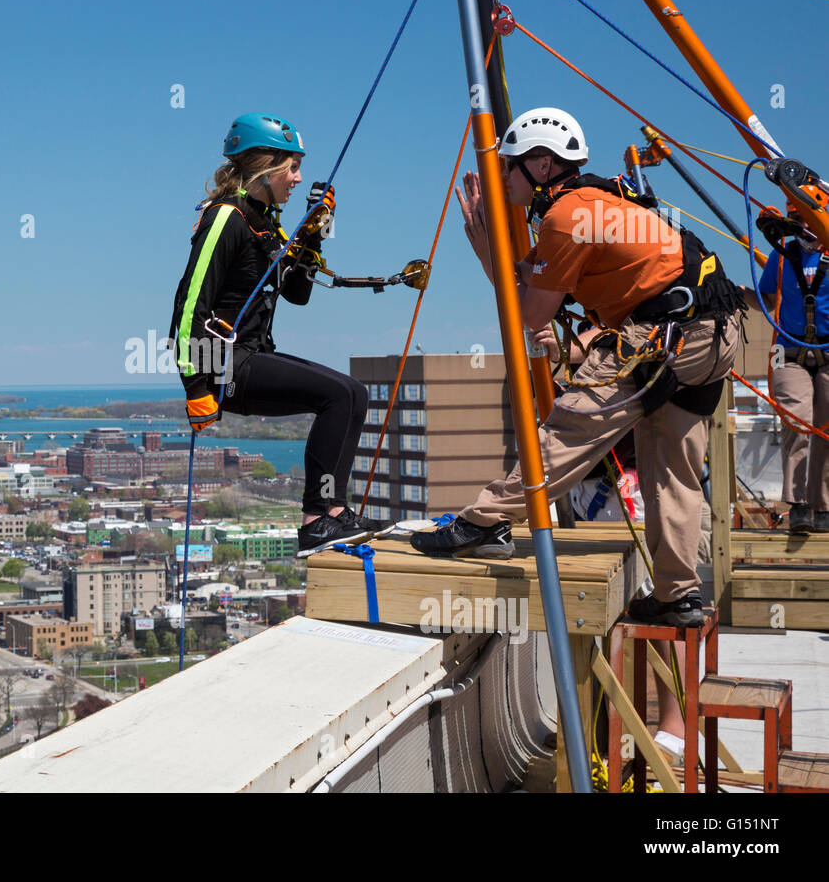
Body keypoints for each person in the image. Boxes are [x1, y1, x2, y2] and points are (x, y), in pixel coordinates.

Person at [410, 107, 746, 628]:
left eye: (511, 166)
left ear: (543, 164)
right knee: (670, 461)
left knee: (571, 427)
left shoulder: (566, 214)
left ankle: (484, 522)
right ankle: (677, 595)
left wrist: (488, 257)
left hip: (666, 333)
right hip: (711, 332)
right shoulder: (602, 201)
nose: (503, 177)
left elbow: (530, 313)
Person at [168, 113, 395, 557]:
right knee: (342, 396)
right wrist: (195, 386)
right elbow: (189, 306)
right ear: (264, 168)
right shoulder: (226, 218)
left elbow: (297, 293)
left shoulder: (264, 223)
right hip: (226, 364)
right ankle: (318, 518)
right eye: (291, 167)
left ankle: (330, 514)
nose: (298, 177)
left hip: (248, 356)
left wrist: (313, 233)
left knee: (353, 394)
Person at [751, 207, 829, 533]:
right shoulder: (781, 256)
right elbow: (767, 299)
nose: (803, 226)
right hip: (786, 352)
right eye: (798, 221)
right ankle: (797, 505)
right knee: (797, 422)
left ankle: (823, 506)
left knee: (825, 430)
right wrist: (733, 295)